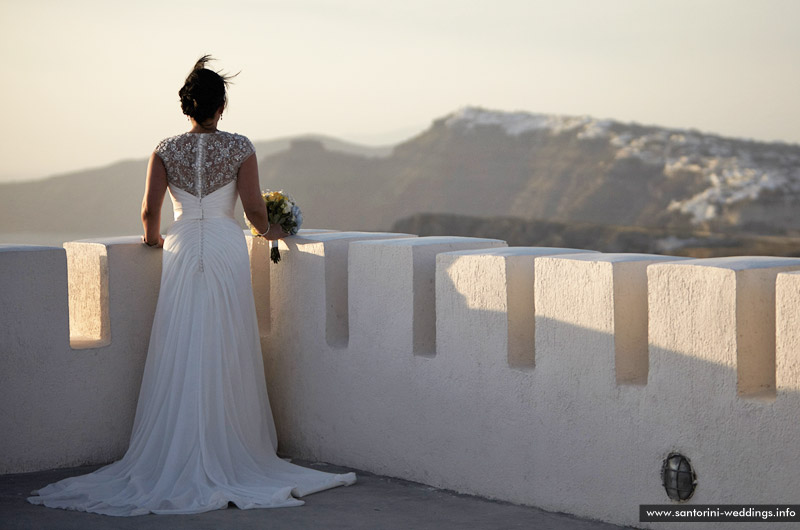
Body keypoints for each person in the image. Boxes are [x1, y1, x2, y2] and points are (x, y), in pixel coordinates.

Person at [27, 56, 356, 516]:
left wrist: (152, 241)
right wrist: (272, 233)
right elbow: (254, 213)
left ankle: (175, 451)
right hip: (223, 246)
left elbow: (148, 214)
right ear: (221, 106)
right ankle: (229, 448)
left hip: (181, 251)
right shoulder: (239, 147)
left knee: (183, 340)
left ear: (187, 107)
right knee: (225, 339)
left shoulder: (164, 149)